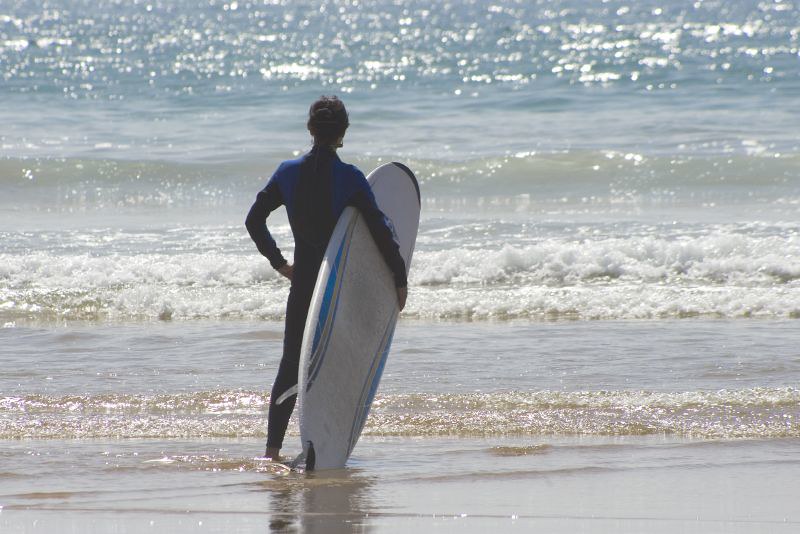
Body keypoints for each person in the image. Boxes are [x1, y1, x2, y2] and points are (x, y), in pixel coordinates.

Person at [245, 96, 408, 461]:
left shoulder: (287, 172)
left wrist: (279, 263)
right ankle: (327, 444)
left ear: (310, 129)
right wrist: (399, 279)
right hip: (339, 291)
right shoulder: (350, 178)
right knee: (337, 364)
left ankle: (271, 454)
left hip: (304, 287)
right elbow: (381, 232)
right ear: (343, 132)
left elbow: (253, 219)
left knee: (291, 365)